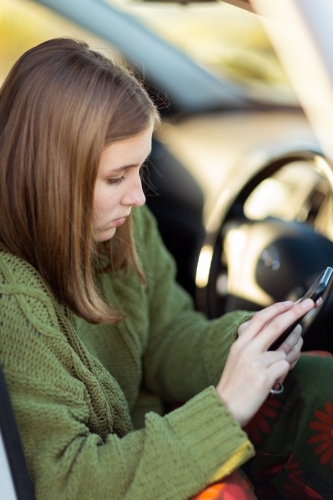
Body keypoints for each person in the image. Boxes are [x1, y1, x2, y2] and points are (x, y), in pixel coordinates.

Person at [0, 38, 332, 500]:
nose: (136, 196)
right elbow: (66, 481)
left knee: (319, 382)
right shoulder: (13, 305)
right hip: (109, 475)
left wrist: (245, 343)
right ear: (51, 177)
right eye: (116, 178)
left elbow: (164, 338)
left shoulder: (121, 225)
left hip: (154, 434)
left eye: (140, 170)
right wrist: (224, 408)